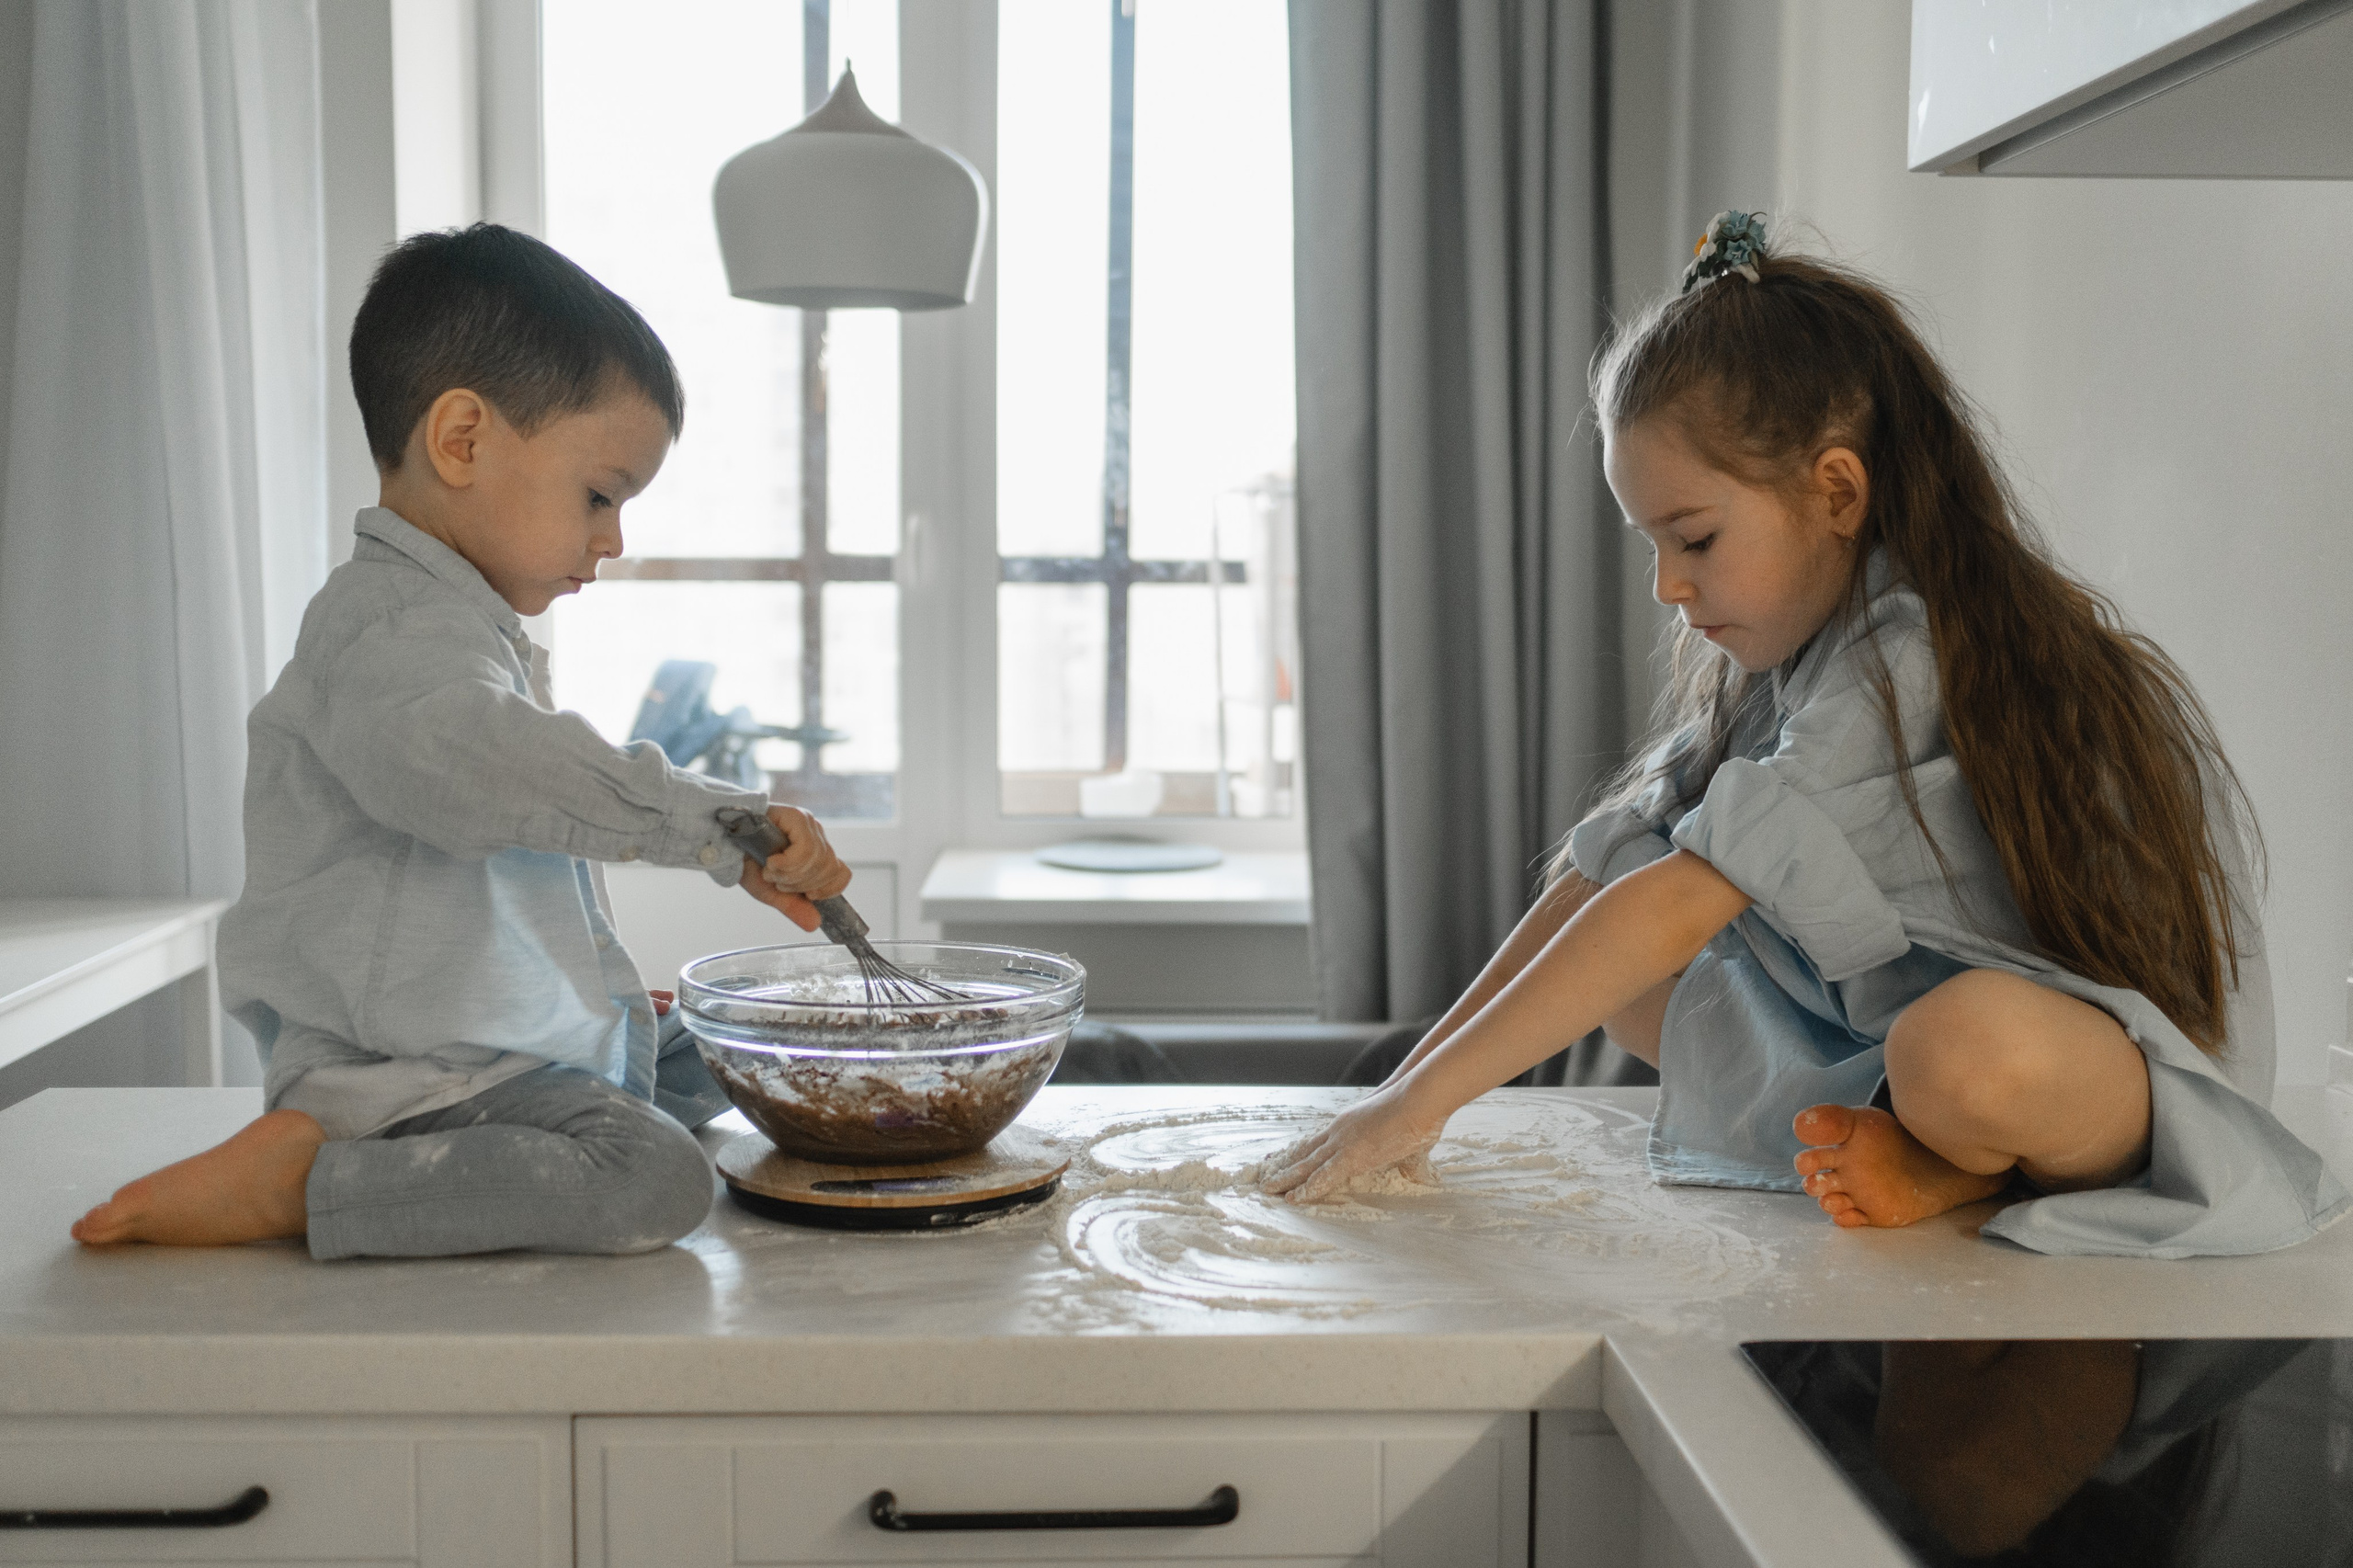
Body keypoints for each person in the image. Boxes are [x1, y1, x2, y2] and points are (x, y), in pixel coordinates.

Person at [1265, 213, 2347, 1257]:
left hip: (2111, 1081)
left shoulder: (1911, 652)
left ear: (1835, 490)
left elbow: (1680, 899)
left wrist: (1414, 1105)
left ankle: (1965, 1162)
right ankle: (1941, 1151)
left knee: (1956, 1049)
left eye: (1691, 537)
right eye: (1651, 544)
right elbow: (1599, 878)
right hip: (1924, 1034)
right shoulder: (1787, 664)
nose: (1667, 584)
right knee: (1625, 979)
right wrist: (1404, 1091)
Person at [71, 223, 851, 1258]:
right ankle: (314, 1180)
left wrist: (589, 987)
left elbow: (492, 849)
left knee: (733, 1036)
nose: (612, 538)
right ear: (463, 439)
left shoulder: (449, 622)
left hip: (472, 1043)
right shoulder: (393, 630)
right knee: (652, 1178)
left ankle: (579, 1051)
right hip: (407, 1079)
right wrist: (710, 824)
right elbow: (479, 775)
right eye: (600, 494)